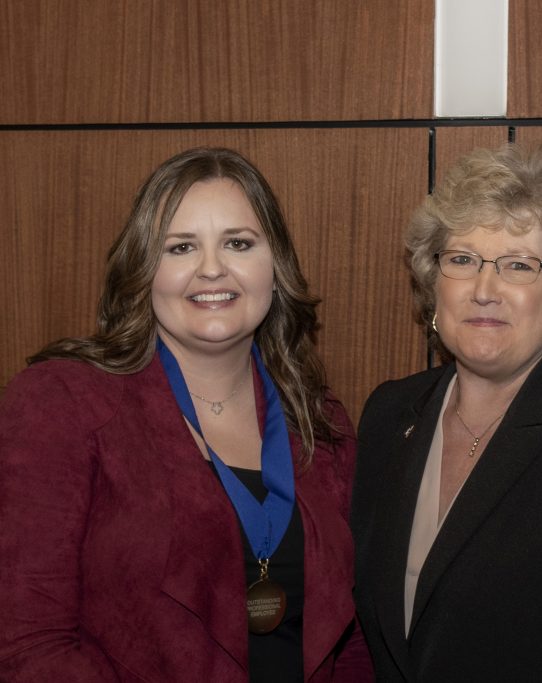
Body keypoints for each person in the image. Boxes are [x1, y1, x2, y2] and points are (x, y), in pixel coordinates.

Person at [0, 147, 372, 682]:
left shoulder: (321, 424)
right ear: (144, 270)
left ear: (276, 266)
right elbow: (27, 645)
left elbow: (351, 637)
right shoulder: (61, 403)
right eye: (181, 247)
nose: (212, 268)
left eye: (239, 243)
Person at [351, 144, 542, 681]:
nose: (484, 291)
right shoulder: (388, 414)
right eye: (463, 260)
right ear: (433, 278)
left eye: (519, 265)